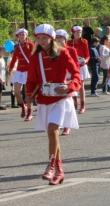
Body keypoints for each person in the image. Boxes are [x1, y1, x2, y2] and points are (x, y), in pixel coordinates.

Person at [26, 24, 82, 185]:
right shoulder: (35, 57)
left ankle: (51, 165)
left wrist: (70, 86)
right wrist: (29, 95)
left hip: (61, 99)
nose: (41, 41)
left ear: (51, 38)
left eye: (44, 38)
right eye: (38, 38)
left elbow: (76, 74)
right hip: (44, 99)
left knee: (53, 129)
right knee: (52, 134)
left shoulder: (63, 53)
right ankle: (59, 170)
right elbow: (31, 80)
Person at [8, 28, 35, 120]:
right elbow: (14, 58)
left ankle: (30, 113)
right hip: (19, 70)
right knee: (16, 91)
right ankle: (23, 106)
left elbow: (34, 57)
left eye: (23, 34)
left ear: (26, 35)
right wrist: (10, 69)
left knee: (28, 93)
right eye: (20, 35)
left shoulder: (31, 45)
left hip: (28, 70)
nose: (22, 36)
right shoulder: (16, 47)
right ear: (18, 36)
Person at [68, 26, 90, 113]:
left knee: (81, 86)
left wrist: (85, 60)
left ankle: (83, 105)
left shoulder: (84, 41)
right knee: (71, 83)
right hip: (72, 66)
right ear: (73, 33)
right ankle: (75, 98)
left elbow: (87, 55)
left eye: (80, 32)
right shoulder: (69, 42)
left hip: (81, 65)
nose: (79, 34)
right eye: (77, 32)